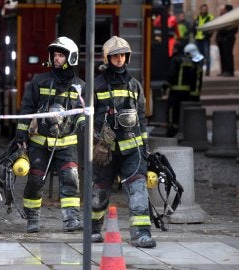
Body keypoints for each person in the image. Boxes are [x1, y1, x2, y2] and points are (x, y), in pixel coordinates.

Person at [90, 36, 156, 248]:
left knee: (138, 189)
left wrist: (144, 148)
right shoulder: (96, 85)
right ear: (107, 58)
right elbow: (85, 117)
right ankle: (92, 228)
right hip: (105, 150)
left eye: (122, 56)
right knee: (100, 190)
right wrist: (96, 141)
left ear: (127, 58)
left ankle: (141, 233)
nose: (119, 59)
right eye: (115, 56)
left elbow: (141, 118)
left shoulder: (134, 85)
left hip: (132, 150)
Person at [15, 37, 85, 233]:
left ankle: (71, 220)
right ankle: (32, 219)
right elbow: (27, 109)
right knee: (36, 181)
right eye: (55, 54)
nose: (56, 58)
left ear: (71, 58)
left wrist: (84, 126)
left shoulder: (80, 86)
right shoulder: (39, 81)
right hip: (40, 143)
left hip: (67, 143)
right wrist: (21, 135)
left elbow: (81, 111)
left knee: (70, 179)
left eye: (61, 55)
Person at [165, 42, 195, 137]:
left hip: (175, 90)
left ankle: (172, 130)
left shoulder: (176, 60)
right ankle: (182, 130)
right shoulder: (190, 61)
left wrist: (166, 85)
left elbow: (171, 74)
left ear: (177, 49)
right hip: (187, 91)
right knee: (182, 111)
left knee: (172, 111)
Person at [215, 4, 238, 77]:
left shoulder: (231, 18)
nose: (222, 10)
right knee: (223, 55)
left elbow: (233, 29)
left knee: (227, 55)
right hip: (221, 39)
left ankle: (229, 71)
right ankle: (224, 70)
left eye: (224, 9)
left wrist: (225, 34)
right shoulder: (223, 17)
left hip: (228, 38)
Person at [192, 4, 214, 76]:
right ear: (200, 9)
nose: (204, 10)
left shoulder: (210, 17)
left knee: (207, 55)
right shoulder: (197, 17)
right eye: (203, 9)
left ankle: (207, 71)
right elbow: (194, 26)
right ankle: (200, 70)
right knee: (198, 55)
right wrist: (194, 34)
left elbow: (211, 28)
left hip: (205, 39)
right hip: (198, 38)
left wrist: (208, 35)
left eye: (205, 9)